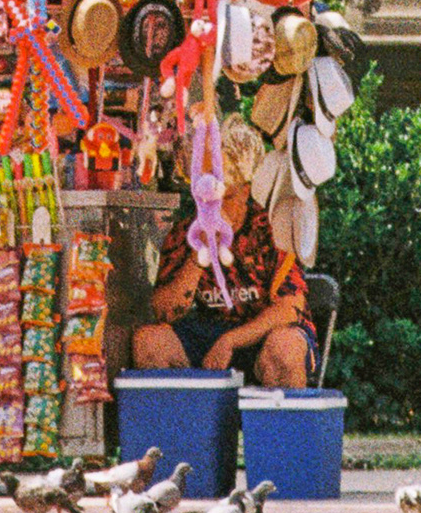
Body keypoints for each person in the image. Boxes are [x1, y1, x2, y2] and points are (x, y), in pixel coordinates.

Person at [132, 115, 315, 386]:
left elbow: (289, 309)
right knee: (149, 342)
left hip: (263, 332)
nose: (215, 208)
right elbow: (163, 312)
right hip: (209, 331)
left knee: (285, 347)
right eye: (207, 200)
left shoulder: (272, 228)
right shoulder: (185, 233)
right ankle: (188, 414)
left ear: (245, 192)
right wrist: (199, 254)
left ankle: (278, 415)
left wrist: (231, 340)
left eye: (226, 198)